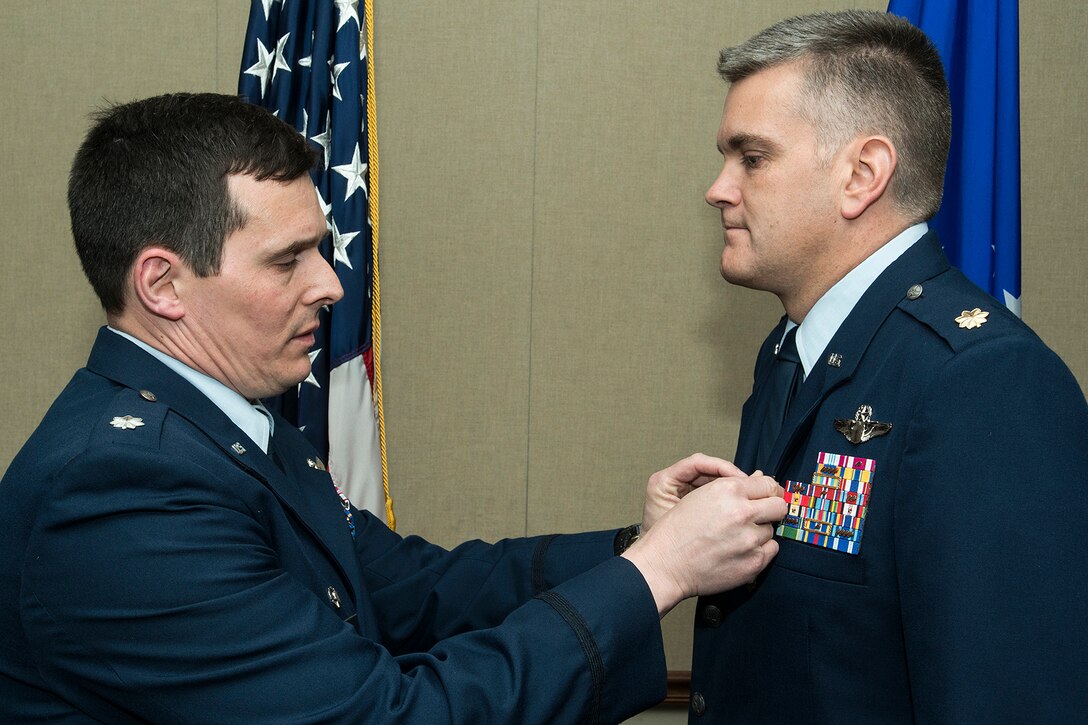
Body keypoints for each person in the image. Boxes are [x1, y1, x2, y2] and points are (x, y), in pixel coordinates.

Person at [0, 92, 787, 723]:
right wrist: (657, 572)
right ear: (163, 285)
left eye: (319, 247)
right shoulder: (119, 486)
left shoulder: (228, 426)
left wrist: (639, 542)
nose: (330, 285)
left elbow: (420, 588)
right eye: (287, 260)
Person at [689, 9, 1088, 722]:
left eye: (751, 157)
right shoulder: (789, 351)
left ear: (862, 175)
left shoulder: (981, 382)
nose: (719, 188)